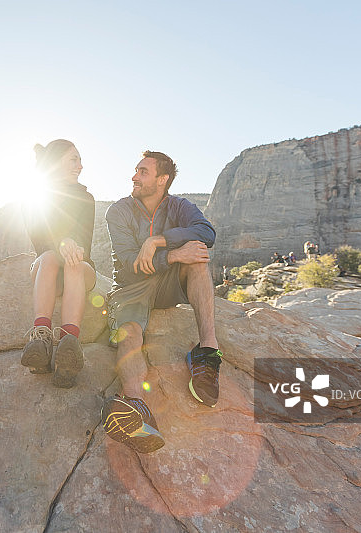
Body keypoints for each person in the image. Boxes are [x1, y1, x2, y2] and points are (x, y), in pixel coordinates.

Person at [100, 150, 222, 453]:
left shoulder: (179, 206)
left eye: (142, 172)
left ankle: (207, 352)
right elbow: (129, 262)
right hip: (131, 287)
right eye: (136, 170)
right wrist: (172, 255)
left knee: (198, 255)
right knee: (129, 331)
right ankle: (136, 409)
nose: (134, 176)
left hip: (167, 284)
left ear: (162, 179)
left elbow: (207, 233)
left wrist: (158, 241)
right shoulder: (118, 211)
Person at [22, 139, 96, 388]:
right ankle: (41, 339)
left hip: (79, 269)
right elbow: (40, 238)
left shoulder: (86, 198)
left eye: (80, 159)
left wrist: (74, 246)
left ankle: (68, 347)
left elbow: (85, 241)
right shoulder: (34, 196)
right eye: (73, 159)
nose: (80, 165)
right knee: (51, 257)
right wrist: (62, 242)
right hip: (48, 270)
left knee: (74, 263)